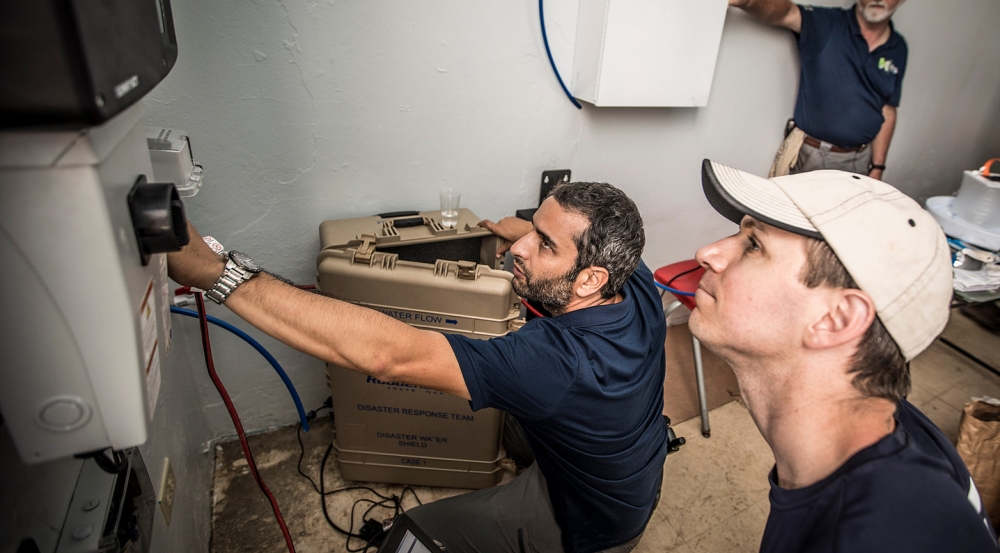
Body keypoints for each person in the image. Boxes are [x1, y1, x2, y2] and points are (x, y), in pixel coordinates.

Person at [166, 181, 668, 553]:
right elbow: (535, 239)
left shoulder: (555, 364)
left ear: (589, 279)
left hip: (589, 520)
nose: (519, 247)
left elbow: (393, 355)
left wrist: (218, 273)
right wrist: (508, 231)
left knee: (411, 543)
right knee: (514, 418)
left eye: (544, 245)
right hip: (634, 470)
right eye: (532, 230)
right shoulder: (635, 280)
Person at [691, 158, 999, 551]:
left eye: (754, 245)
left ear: (837, 319)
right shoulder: (882, 440)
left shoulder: (886, 534)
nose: (708, 252)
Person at [730, 0, 907, 180]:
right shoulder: (827, 23)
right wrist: (748, 1)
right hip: (813, 156)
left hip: (860, 162)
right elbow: (786, 13)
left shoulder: (898, 47)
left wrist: (878, 167)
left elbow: (888, 110)